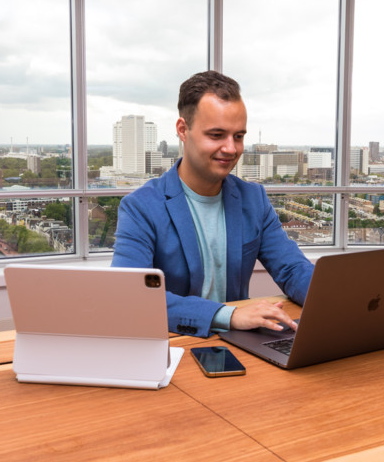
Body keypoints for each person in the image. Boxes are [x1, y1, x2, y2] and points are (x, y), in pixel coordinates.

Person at [111, 70, 315, 337]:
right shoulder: (140, 207)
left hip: (240, 343)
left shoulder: (254, 199)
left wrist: (336, 297)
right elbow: (129, 296)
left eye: (238, 136)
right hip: (175, 345)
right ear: (183, 130)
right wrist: (227, 315)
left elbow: (292, 268)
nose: (231, 149)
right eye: (217, 135)